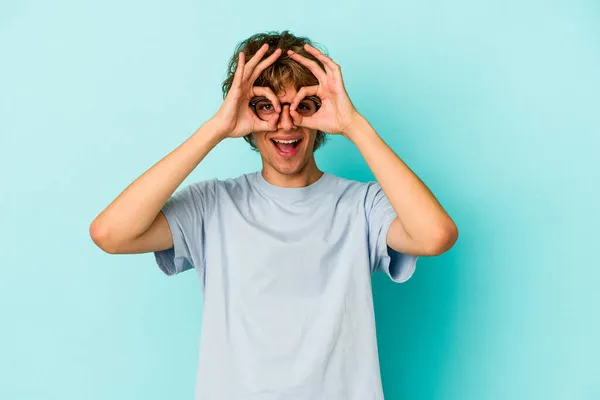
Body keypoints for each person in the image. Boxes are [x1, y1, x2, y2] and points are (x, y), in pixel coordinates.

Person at [90, 30, 458, 400]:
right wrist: (216, 129)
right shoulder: (214, 204)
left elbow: (435, 236)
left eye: (303, 105)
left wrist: (353, 125)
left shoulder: (361, 205)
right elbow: (111, 233)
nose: (285, 123)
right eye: (266, 106)